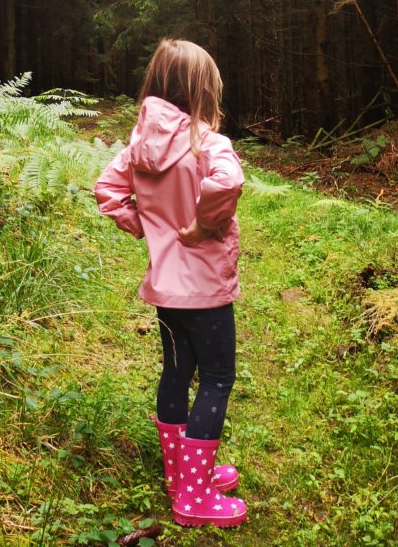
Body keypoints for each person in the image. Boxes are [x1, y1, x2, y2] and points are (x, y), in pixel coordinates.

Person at [93, 38, 246, 528]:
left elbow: (107, 189)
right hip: (204, 288)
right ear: (202, 89)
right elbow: (226, 183)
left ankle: (182, 475)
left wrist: (144, 226)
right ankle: (195, 497)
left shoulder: (139, 145)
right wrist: (202, 227)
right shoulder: (208, 142)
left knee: (177, 375)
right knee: (217, 378)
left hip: (166, 288)